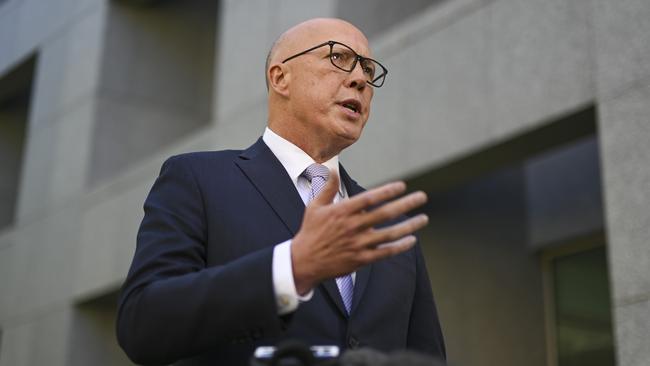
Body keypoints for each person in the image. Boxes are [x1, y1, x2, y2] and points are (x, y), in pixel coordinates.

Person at [116, 17, 446, 365]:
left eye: (367, 68)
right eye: (339, 58)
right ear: (280, 77)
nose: (360, 79)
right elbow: (143, 324)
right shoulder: (198, 179)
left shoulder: (388, 223)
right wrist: (290, 268)